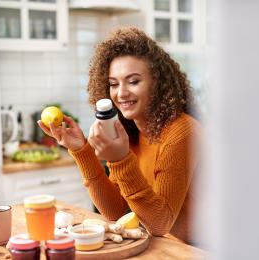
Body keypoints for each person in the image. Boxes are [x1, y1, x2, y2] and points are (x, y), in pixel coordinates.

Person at [38, 27, 202, 245]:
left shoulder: (182, 132)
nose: (121, 93)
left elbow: (161, 224)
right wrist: (81, 151)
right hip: (162, 248)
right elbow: (116, 213)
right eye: (114, 84)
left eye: (133, 81)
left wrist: (119, 159)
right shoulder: (129, 131)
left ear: (158, 83)